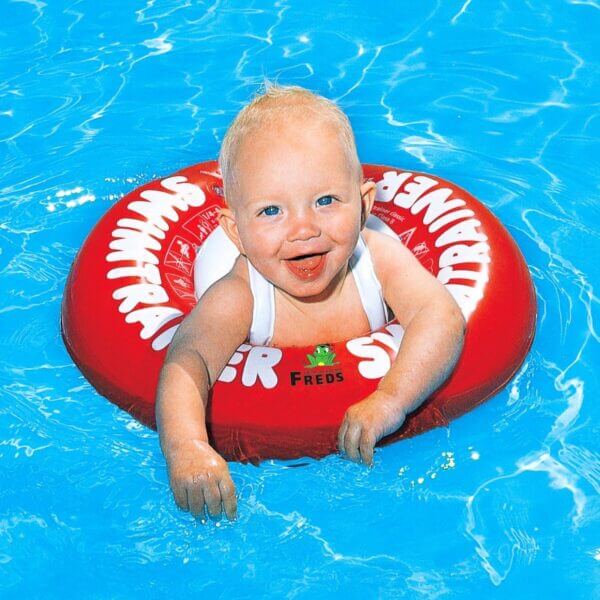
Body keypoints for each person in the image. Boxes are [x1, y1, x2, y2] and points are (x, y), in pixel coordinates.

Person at [155, 84, 466, 522]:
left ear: (363, 205)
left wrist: (392, 399)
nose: (303, 230)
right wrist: (187, 447)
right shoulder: (240, 294)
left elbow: (441, 316)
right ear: (235, 231)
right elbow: (187, 364)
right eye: (270, 211)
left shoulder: (377, 258)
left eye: (325, 201)